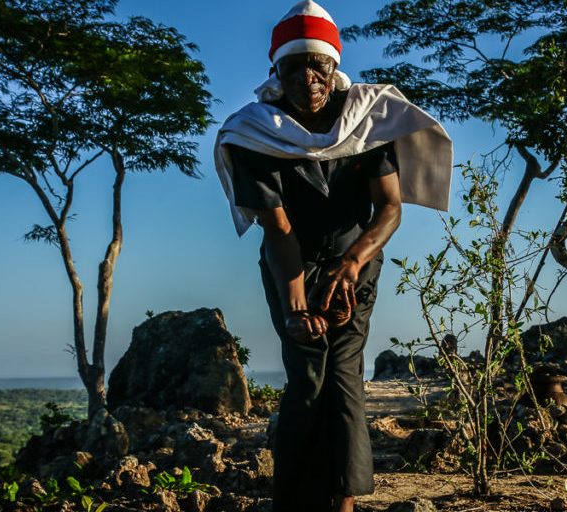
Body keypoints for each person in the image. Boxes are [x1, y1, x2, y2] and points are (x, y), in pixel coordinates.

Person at [213, 2, 453, 511]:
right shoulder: (258, 132)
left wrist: (352, 264)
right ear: (275, 73)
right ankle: (294, 499)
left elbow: (389, 208)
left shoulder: (365, 123)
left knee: (343, 374)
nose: (307, 76)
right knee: (304, 376)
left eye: (316, 64)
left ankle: (342, 501)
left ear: (333, 67)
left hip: (356, 260)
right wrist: (295, 308)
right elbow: (278, 230)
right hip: (290, 264)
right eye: (293, 66)